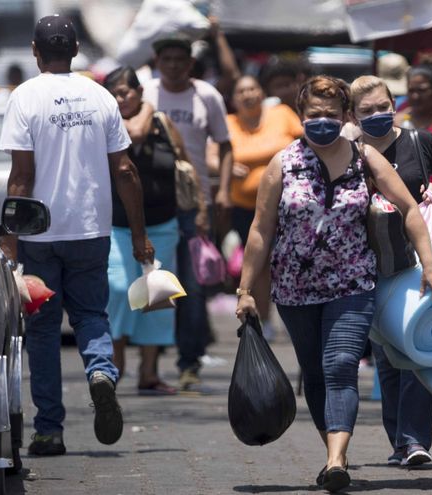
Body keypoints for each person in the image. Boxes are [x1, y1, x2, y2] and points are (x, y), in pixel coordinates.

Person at [235, 75, 432, 492]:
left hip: (352, 284)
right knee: (315, 374)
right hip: (295, 290)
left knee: (340, 365)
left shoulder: (365, 158)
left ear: (345, 116)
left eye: (331, 115)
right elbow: (261, 231)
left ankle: (336, 461)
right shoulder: (282, 164)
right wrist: (246, 291)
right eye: (313, 115)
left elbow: (409, 210)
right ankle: (334, 448)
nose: (322, 122)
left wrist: (430, 266)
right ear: (300, 116)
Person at [0, 15, 155, 455]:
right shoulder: (101, 96)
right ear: (76, 49)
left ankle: (49, 430)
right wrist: (139, 234)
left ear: (34, 50)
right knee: (91, 315)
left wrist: (10, 247)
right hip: (91, 231)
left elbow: (21, 178)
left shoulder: (24, 97)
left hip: (39, 235)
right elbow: (125, 169)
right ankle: (101, 372)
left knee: (44, 330)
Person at [348, 75, 432, 466]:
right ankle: (400, 440)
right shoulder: (348, 152)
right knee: (387, 355)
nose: (378, 114)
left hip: (419, 258)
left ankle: (415, 440)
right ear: (353, 115)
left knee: (418, 346)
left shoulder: (419, 141)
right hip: (372, 263)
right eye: (367, 111)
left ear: (394, 103)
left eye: (383, 106)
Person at [102, 66, 203, 395]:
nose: (121, 98)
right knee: (117, 290)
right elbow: (136, 133)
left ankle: (149, 372)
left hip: (163, 226)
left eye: (126, 92)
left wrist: (199, 208)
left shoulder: (163, 123)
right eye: (115, 93)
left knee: (158, 298)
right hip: (117, 226)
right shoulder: (109, 125)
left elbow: (184, 163)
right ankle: (114, 366)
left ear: (139, 91)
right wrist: (145, 108)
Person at [144, 33, 233, 391]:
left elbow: (225, 146)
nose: (174, 66)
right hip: (154, 204)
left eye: (181, 60)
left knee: (192, 288)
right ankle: (149, 359)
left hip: (194, 205)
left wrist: (222, 190)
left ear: (190, 63)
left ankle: (189, 362)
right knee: (154, 285)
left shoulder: (206, 96)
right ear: (158, 63)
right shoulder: (146, 94)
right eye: (167, 60)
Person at [227, 75, 303, 337]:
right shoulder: (229, 123)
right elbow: (213, 157)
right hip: (246, 208)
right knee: (258, 264)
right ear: (234, 98)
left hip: (286, 205)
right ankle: (264, 317)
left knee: (284, 261)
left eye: (252, 88)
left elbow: (305, 142)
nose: (248, 94)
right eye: (241, 90)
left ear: (261, 92)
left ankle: (294, 316)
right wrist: (226, 167)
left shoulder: (282, 114)